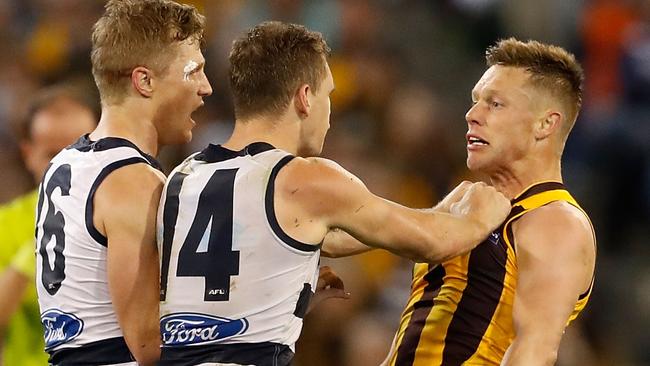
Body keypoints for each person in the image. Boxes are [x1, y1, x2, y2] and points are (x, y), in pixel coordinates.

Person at [157, 21, 511, 366]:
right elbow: (432, 243)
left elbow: (328, 238)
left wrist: (288, 293)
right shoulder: (306, 179)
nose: (329, 115)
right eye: (328, 95)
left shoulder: (182, 176)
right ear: (305, 98)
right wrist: (485, 213)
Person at [383, 38, 597, 366]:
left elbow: (535, 351)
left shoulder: (557, 222)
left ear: (545, 124)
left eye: (495, 104)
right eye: (476, 101)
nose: (472, 115)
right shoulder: (465, 199)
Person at [34, 1, 212, 365]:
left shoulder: (63, 164)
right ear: (144, 80)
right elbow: (148, 345)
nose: (206, 87)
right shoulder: (133, 180)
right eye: (193, 71)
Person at [0, 84, 98, 366]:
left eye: (81, 150)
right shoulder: (5, 224)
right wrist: (38, 247)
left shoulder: (125, 217)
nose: (67, 167)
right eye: (52, 155)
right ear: (28, 153)